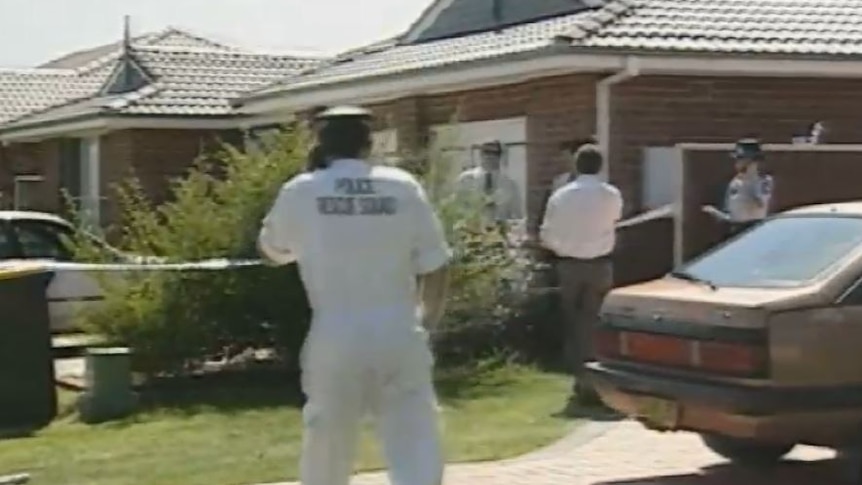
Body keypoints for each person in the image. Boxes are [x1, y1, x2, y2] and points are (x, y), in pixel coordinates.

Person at [257, 105, 451, 485]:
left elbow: (272, 251)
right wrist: (424, 324)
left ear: (321, 142)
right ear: (369, 143)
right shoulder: (402, 187)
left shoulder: (302, 190)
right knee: (415, 440)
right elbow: (437, 265)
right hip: (398, 328)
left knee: (327, 442)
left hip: (336, 332)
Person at [540, 144, 622, 415]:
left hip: (570, 266)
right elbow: (614, 221)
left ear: (576, 165)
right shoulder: (611, 195)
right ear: (600, 166)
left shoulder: (561, 197)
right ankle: (595, 382)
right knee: (597, 324)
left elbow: (547, 233)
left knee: (574, 325)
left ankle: (581, 381)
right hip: (600, 265)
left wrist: (561, 246)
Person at [456, 140, 524, 225]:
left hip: (501, 233)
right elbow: (457, 210)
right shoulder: (466, 180)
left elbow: (517, 216)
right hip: (471, 232)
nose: (490, 156)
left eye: (495, 153)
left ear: (500, 156)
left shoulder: (510, 185)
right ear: (481, 154)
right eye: (486, 152)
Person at [723, 138, 774, 235]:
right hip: (735, 229)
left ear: (751, 161)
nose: (737, 163)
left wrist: (749, 180)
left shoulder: (763, 181)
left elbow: (760, 205)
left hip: (753, 228)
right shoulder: (736, 181)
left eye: (741, 159)